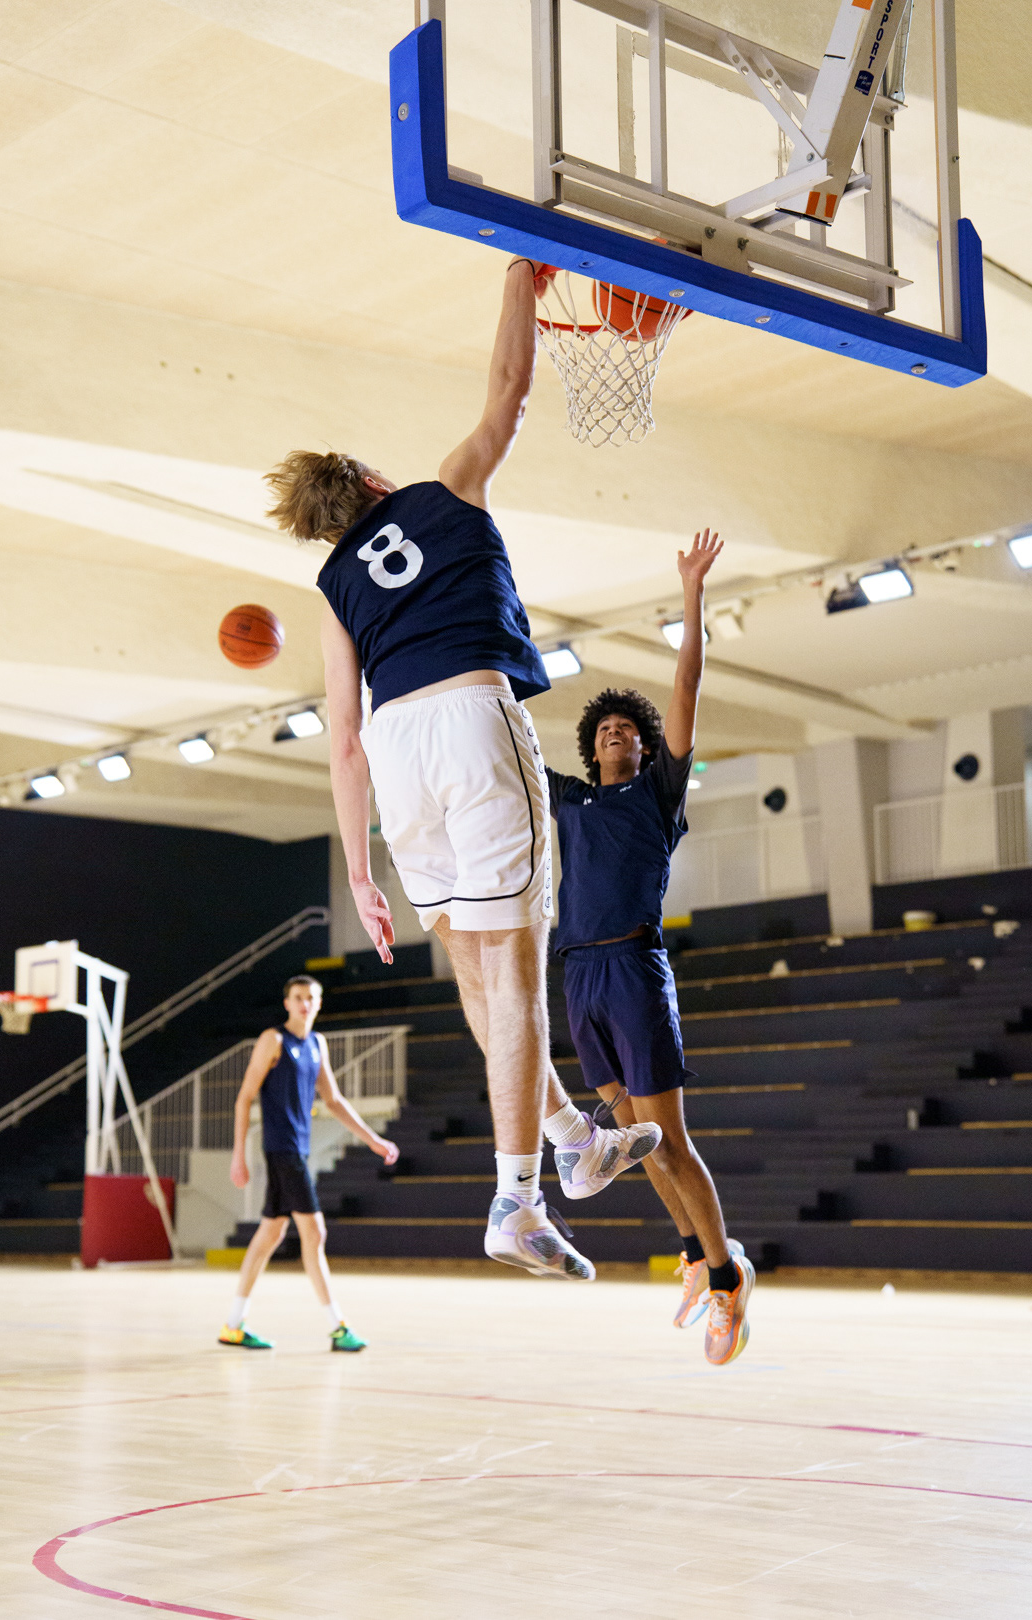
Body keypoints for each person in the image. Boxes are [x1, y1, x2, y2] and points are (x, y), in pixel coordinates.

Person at [265, 258, 659, 1282]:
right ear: (372, 481)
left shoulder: (333, 590)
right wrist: (520, 283)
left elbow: (341, 738)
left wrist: (360, 874)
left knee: (478, 971)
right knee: (518, 971)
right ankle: (517, 1202)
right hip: (471, 720)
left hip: (397, 756)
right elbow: (510, 394)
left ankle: (571, 1140)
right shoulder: (443, 491)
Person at [545, 529, 754, 1367]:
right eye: (606, 728)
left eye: (629, 728)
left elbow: (687, 683)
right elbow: (503, 747)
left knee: (669, 1137)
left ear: (644, 744)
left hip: (633, 967)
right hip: (579, 975)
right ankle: (694, 1255)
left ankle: (729, 1277)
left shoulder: (658, 794)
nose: (616, 734)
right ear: (591, 745)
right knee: (632, 1143)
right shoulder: (570, 801)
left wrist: (692, 594)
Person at [218, 974, 398, 1353]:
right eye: (298, 997)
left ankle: (233, 1325)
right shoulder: (273, 1040)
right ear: (287, 1003)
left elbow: (333, 1100)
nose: (305, 1003)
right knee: (314, 1233)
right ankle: (338, 1327)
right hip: (281, 1148)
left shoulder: (317, 1043)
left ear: (319, 1003)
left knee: (270, 1234)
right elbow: (244, 1098)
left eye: (311, 997)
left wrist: (374, 1140)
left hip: (297, 1150)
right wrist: (238, 1155)